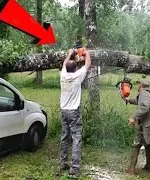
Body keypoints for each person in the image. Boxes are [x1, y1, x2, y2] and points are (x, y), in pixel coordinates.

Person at [59, 48, 91, 178]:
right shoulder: (78, 76)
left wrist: (69, 54)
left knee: (64, 136)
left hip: (64, 110)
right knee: (76, 138)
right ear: (75, 68)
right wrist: (86, 52)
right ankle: (75, 169)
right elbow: (88, 63)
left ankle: (63, 162)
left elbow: (64, 64)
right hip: (74, 111)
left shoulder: (63, 75)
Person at [124, 80, 150, 174]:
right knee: (148, 143)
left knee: (136, 143)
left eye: (138, 85)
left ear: (141, 86)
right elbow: (140, 101)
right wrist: (128, 100)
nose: (138, 87)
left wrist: (133, 117)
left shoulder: (144, 93)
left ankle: (131, 169)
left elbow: (145, 106)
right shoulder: (147, 93)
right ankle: (149, 166)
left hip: (148, 123)